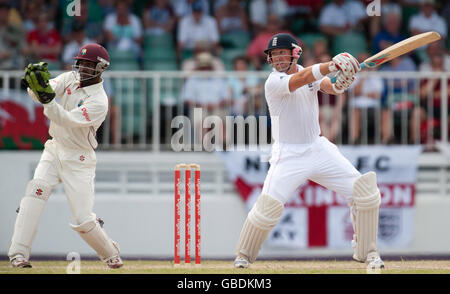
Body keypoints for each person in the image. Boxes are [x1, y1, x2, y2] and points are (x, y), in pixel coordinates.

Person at [233, 33, 384, 269]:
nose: (278, 58)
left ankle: (369, 253)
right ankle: (243, 256)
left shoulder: (307, 72)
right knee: (266, 210)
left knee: (365, 192)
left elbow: (331, 88)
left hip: (318, 147)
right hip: (288, 154)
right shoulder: (273, 82)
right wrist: (331, 65)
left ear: (295, 53)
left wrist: (344, 79)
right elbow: (302, 79)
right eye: (274, 55)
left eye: (282, 53)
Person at [8, 43, 123, 269]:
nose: (82, 68)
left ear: (101, 69)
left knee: (83, 218)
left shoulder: (99, 101)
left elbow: (66, 119)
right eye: (81, 63)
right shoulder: (70, 77)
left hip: (79, 159)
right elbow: (44, 91)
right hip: (54, 149)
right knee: (34, 193)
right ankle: (18, 255)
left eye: (89, 65)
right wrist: (35, 89)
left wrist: (47, 99)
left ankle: (111, 254)